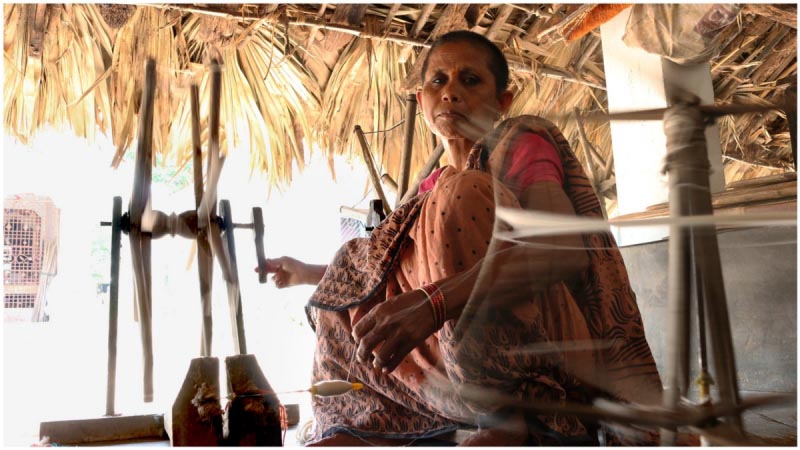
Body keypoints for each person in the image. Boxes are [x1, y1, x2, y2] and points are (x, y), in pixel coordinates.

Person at [261, 30, 662, 446]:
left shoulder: (519, 145)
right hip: (457, 366)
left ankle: (509, 414)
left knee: (462, 192)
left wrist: (435, 303)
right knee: (351, 271)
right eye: (439, 81)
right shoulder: (427, 190)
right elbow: (391, 273)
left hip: (551, 351)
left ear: (502, 102)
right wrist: (309, 273)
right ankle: (366, 428)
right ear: (422, 100)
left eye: (470, 80)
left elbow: (562, 250)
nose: (451, 91)